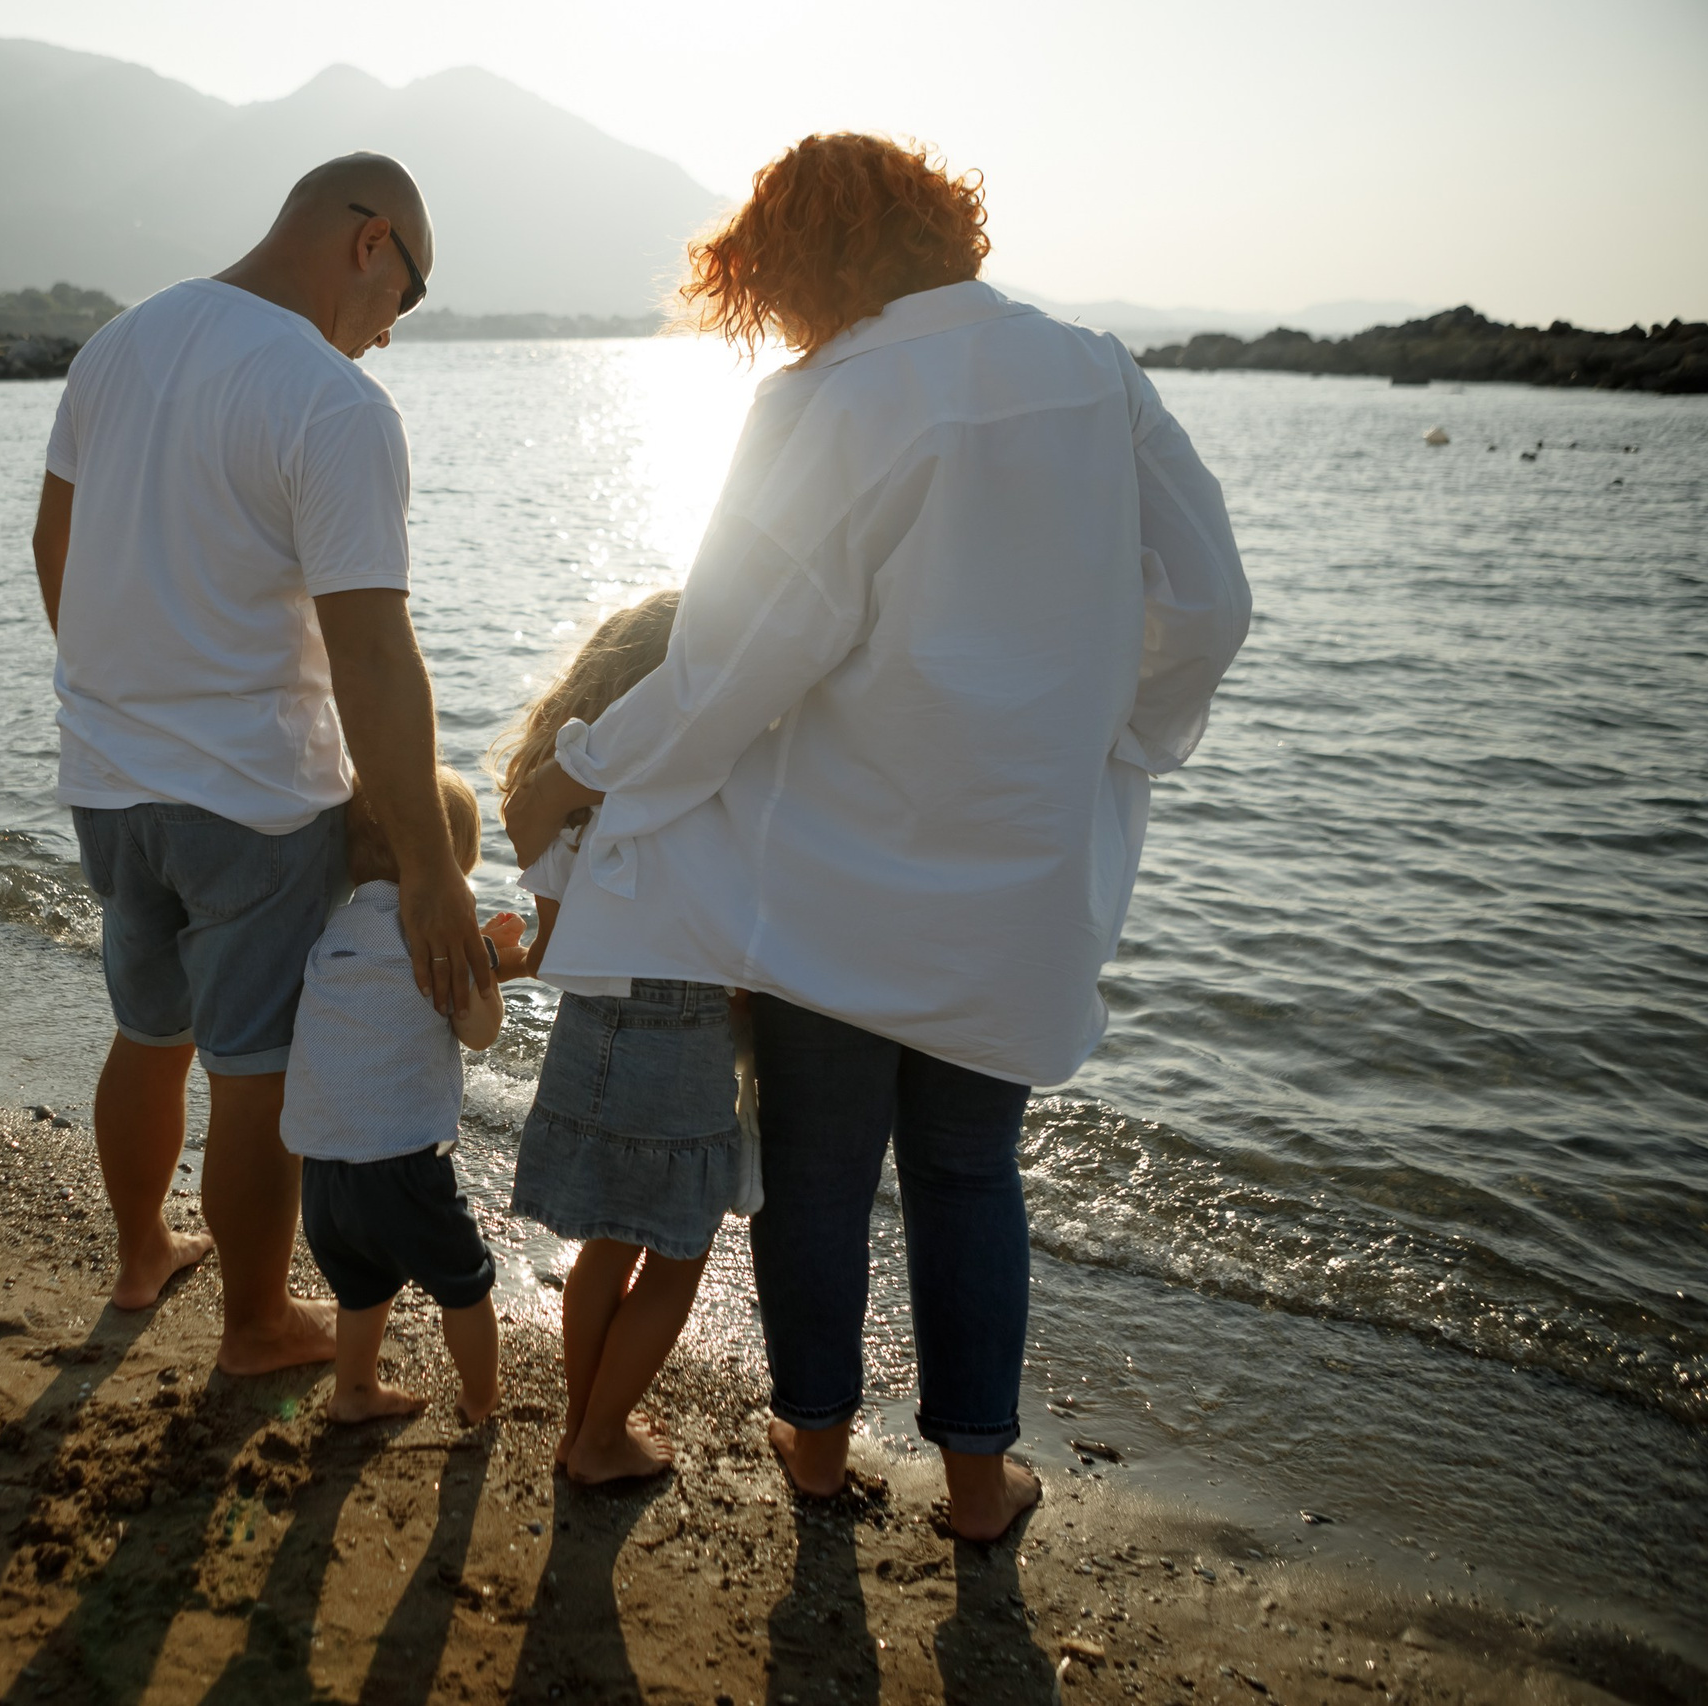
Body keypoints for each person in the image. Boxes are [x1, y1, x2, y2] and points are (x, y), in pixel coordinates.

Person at [504, 132, 1251, 1537]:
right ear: (935, 225)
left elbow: (733, 663)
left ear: (796, 265)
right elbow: (1210, 604)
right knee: (969, 1171)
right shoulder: (1098, 373)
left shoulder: (825, 399)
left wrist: (581, 769)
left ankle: (813, 1444)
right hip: (1019, 874)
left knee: (822, 1176)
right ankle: (974, 1484)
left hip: (829, 875)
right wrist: (1114, 734)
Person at [32, 153, 494, 1377]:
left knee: (148, 1030)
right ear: (370, 240)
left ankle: (142, 1253)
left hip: (107, 781)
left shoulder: (118, 345)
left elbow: (54, 543)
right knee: (253, 1069)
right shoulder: (331, 402)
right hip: (252, 798)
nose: (390, 332)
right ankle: (253, 1324)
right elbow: (373, 651)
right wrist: (433, 870)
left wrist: (114, 698)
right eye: (407, 297)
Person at [488, 591, 742, 1485]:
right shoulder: (715, 789)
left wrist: (500, 962)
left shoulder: (567, 804)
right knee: (677, 1255)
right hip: (682, 1033)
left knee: (605, 1243)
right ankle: (599, 1439)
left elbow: (555, 946)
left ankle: (583, 1426)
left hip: (588, 1029)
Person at [279, 768, 510, 1424]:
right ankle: (481, 1399)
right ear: (455, 861)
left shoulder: (337, 930)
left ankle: (353, 1391)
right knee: (465, 1284)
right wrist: (485, 969)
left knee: (362, 1285)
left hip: (323, 1171)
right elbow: (481, 1031)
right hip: (400, 1166)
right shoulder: (435, 935)